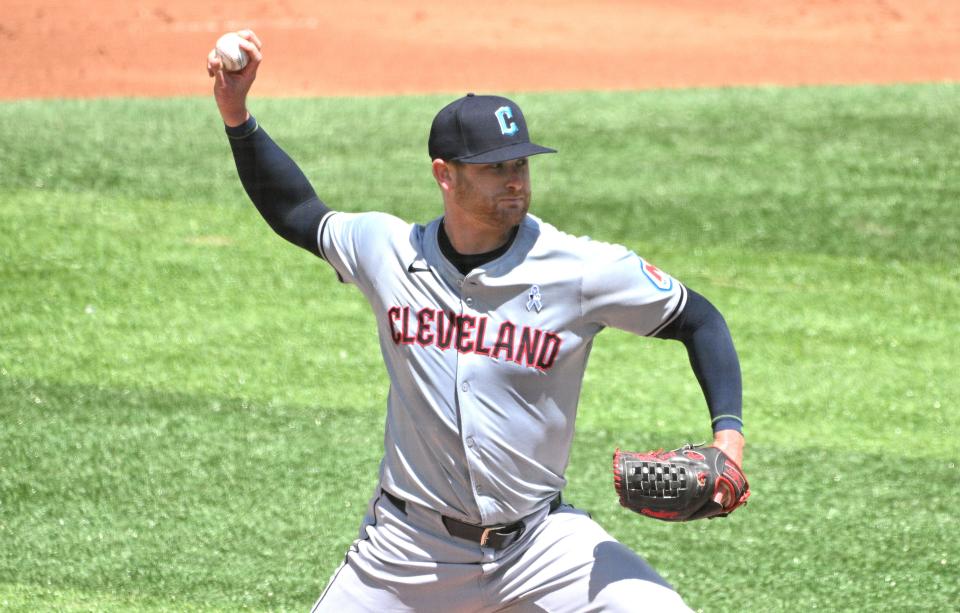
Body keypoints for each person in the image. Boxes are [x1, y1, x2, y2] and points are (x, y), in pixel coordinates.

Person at [208, 31, 746, 613]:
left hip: (539, 547)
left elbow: (701, 320)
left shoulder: (580, 268)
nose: (515, 179)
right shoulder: (388, 250)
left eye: (520, 163)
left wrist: (729, 440)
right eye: (494, 168)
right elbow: (298, 212)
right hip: (406, 552)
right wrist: (236, 115)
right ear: (445, 175)